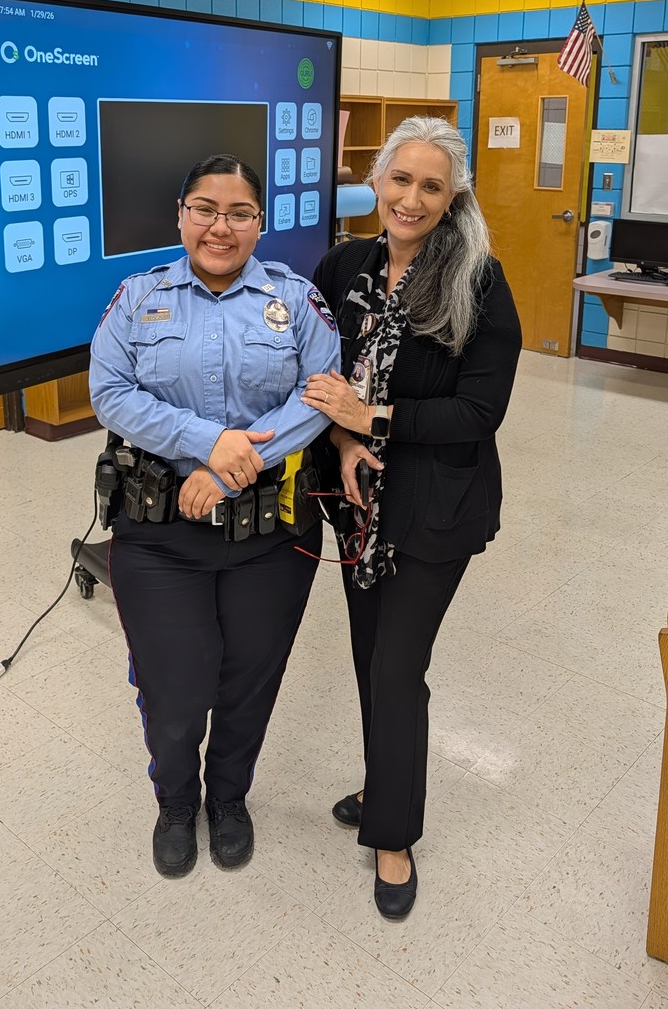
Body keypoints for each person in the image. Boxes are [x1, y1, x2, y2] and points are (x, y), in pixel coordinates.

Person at [89, 153, 340, 878]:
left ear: (259, 223)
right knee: (174, 686)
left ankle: (228, 799)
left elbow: (321, 394)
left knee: (248, 682)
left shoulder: (294, 301)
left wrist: (237, 469)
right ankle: (175, 802)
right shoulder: (138, 297)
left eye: (237, 213)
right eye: (204, 208)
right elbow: (111, 393)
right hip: (159, 534)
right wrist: (212, 445)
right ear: (180, 214)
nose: (218, 226)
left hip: (270, 535)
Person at [302, 117, 522, 920]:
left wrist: (373, 417)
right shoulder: (341, 264)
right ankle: (383, 781)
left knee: (397, 667)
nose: (411, 198)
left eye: (431, 186)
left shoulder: (478, 280)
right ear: (377, 179)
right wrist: (342, 432)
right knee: (370, 659)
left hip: (436, 508)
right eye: (399, 179)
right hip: (354, 503)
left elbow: (476, 411)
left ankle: (393, 837)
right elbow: (312, 371)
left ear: (451, 194)